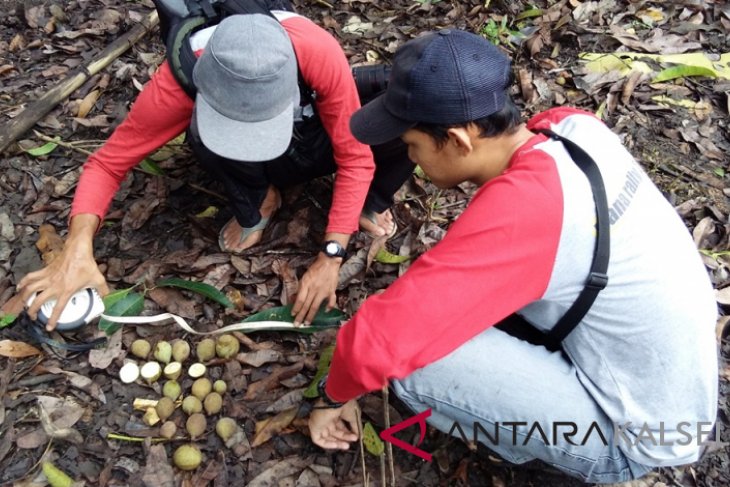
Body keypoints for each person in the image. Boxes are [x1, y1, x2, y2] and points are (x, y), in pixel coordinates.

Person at [308, 29, 718, 484]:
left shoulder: (529, 210)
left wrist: (332, 396)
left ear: (460, 140)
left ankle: (563, 455)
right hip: (666, 386)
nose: (411, 159)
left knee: (415, 362)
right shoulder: (568, 127)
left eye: (411, 146)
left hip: (637, 433)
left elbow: (380, 340)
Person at [18, 10, 414, 329]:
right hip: (248, 153)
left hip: (310, 125)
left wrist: (331, 255)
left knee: (412, 113)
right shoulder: (179, 80)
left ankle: (370, 201)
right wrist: (77, 246)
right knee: (200, 138)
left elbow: (354, 156)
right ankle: (260, 197)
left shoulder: (315, 52)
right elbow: (107, 163)